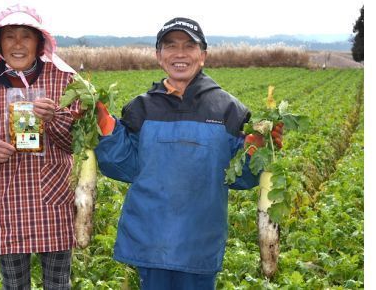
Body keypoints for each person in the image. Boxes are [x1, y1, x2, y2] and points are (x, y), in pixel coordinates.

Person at [94, 17, 282, 289]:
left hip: (199, 242)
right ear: (159, 56)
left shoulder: (229, 109)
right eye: (170, 46)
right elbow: (125, 166)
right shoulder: (139, 109)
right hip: (151, 240)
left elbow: (239, 177)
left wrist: (259, 149)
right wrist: (106, 128)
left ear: (202, 55)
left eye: (189, 46)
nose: (179, 53)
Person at [0, 4, 79, 290]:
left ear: (39, 43)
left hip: (53, 200)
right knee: (14, 284)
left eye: (26, 36)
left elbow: (77, 142)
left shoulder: (64, 81)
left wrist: (55, 117)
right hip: (5, 202)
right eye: (10, 37)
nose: (18, 44)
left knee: (59, 283)